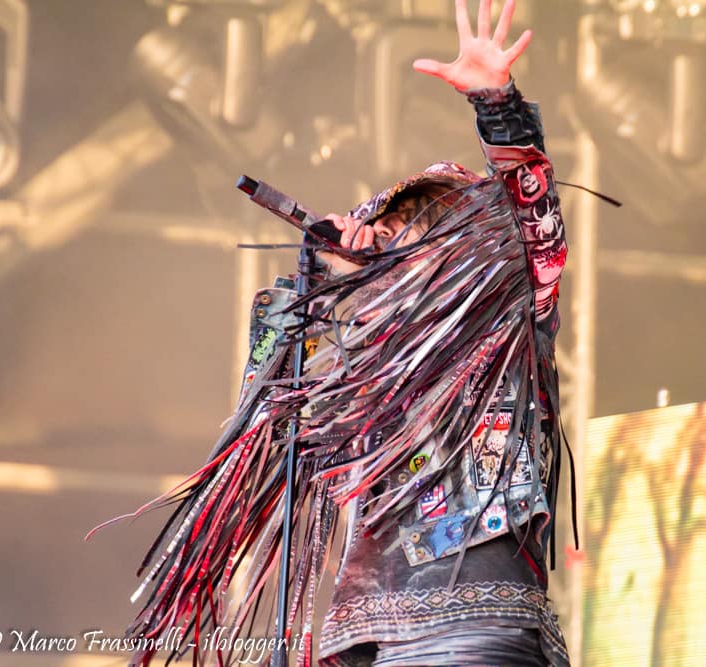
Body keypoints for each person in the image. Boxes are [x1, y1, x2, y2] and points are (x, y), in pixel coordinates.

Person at [99, 1, 571, 665]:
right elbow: (261, 419)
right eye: (381, 227)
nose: (384, 237)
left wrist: (496, 102)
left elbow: (532, 218)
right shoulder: (357, 361)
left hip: (472, 629)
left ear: (461, 249)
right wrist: (318, 285)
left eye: (409, 227)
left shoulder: (507, 318)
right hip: (365, 639)